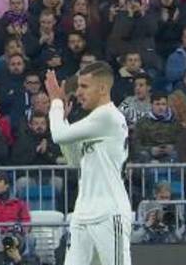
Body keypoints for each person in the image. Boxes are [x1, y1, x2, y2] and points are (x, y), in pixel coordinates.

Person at [45, 62, 131, 265]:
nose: (78, 92)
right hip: (83, 214)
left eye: (84, 86)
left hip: (109, 214)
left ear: (102, 88)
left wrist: (56, 103)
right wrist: (64, 121)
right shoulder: (94, 121)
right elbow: (75, 161)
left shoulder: (108, 116)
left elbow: (57, 136)